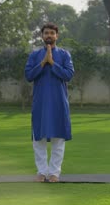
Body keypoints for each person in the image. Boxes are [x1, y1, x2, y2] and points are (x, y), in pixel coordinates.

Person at [24, 23, 74, 183]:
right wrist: (43, 63)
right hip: (40, 102)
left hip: (58, 102)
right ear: (42, 36)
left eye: (52, 33)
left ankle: (54, 173)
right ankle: (41, 172)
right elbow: (29, 75)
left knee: (58, 139)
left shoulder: (65, 55)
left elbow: (68, 75)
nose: (49, 36)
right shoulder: (34, 56)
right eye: (46, 33)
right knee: (38, 138)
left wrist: (52, 63)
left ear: (57, 36)